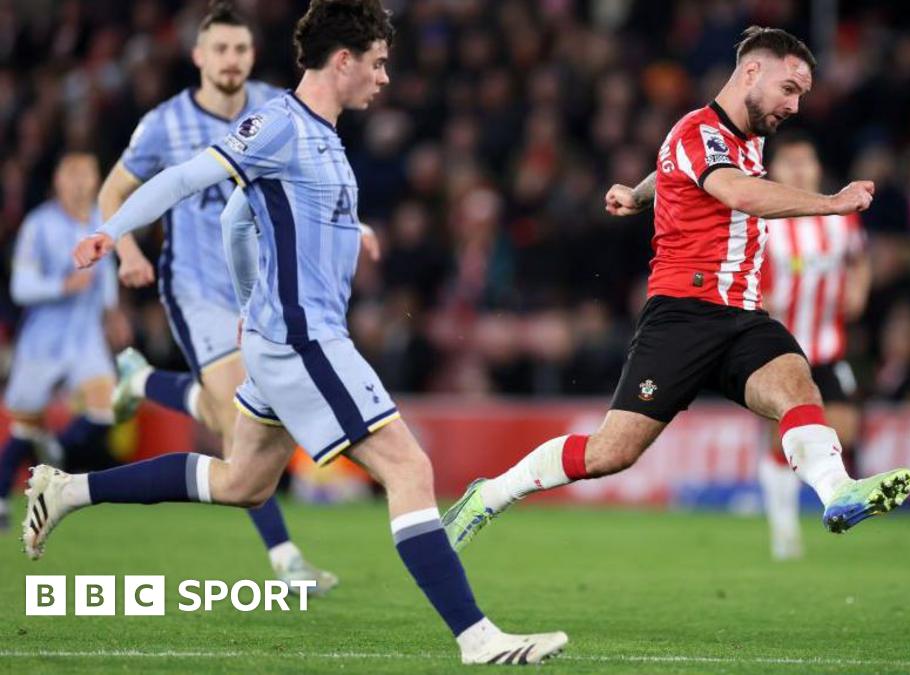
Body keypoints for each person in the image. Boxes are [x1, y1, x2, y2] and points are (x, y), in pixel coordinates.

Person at [26, 0, 566, 664]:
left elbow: (236, 222)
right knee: (409, 466)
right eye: (378, 63)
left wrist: (260, 292)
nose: (385, 77)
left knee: (242, 482)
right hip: (306, 341)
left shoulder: (322, 133)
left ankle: (67, 488)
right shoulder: (281, 125)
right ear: (344, 61)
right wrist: (110, 231)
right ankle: (477, 638)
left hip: (285, 337)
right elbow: (187, 177)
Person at [442, 27, 910, 555]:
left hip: (741, 316)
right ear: (752, 72)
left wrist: (639, 196)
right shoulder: (702, 132)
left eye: (800, 93)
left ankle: (838, 492)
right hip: (683, 317)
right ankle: (490, 494)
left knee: (797, 385)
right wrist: (831, 202)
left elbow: (673, 164)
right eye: (789, 88)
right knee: (610, 453)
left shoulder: (737, 138)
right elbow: (737, 191)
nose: (795, 105)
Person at [96, 0, 364, 594]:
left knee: (232, 425)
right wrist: (129, 251)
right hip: (196, 289)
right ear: (198, 55)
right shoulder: (164, 123)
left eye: (241, 48)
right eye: (220, 48)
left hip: (261, 291)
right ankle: (286, 558)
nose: (231, 60)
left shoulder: (277, 108)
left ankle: (140, 382)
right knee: (237, 435)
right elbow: (114, 189)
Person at [758, 134, 871, 560]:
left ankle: (810, 502)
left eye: (808, 161)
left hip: (826, 346)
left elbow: (860, 259)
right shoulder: (764, 221)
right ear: (774, 171)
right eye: (790, 162)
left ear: (819, 168)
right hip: (780, 347)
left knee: (845, 428)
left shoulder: (840, 217)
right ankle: (784, 528)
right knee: (783, 436)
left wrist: (858, 290)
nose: (801, 169)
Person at [0, 153, 119, 531]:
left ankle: (56, 451)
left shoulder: (103, 223)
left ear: (97, 180)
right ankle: (2, 497)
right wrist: (62, 286)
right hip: (44, 338)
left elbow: (109, 272)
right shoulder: (39, 225)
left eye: (87, 175)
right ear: (58, 181)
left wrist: (113, 310)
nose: (80, 183)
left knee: (105, 409)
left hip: (85, 334)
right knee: (25, 426)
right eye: (72, 175)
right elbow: (20, 287)